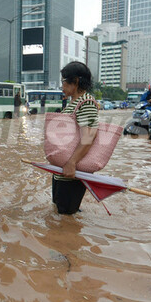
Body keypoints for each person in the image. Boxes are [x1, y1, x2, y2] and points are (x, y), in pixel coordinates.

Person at [51, 61, 99, 215]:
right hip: (63, 170)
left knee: (66, 215)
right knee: (59, 211)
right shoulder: (73, 102)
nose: (62, 86)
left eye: (64, 81)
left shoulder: (86, 103)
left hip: (73, 171)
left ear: (76, 81)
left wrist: (72, 162)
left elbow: (89, 137)